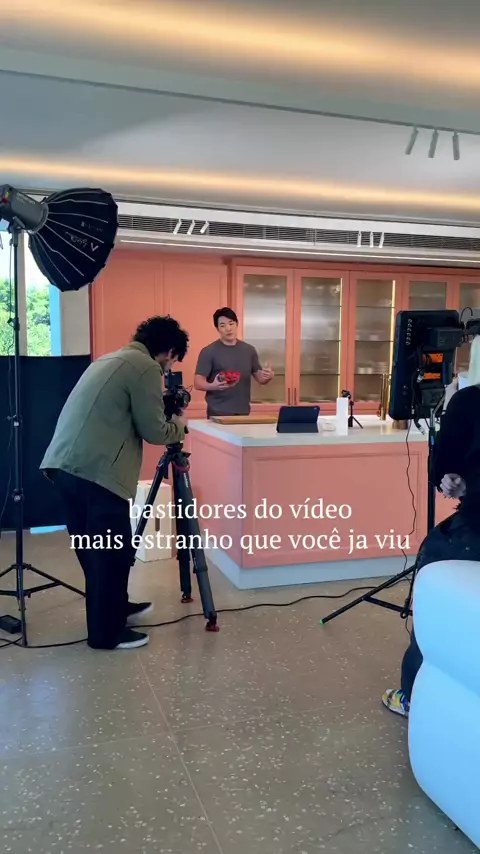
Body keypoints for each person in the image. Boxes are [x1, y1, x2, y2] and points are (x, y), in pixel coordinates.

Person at [40, 316, 188, 651]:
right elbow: (155, 431)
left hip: (65, 466)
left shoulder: (110, 359)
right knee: (111, 553)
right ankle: (106, 634)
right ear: (168, 351)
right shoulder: (145, 367)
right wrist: (180, 424)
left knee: (96, 553)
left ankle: (115, 609)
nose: (168, 369)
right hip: (96, 472)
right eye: (172, 361)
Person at [383, 336, 480, 716]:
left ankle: (412, 697)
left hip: (473, 531)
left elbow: (444, 469)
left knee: (433, 600)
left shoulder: (469, 401)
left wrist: (458, 481)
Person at [194, 307, 274, 418]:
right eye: (223, 325)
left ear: (237, 324)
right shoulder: (209, 351)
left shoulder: (249, 350)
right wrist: (213, 386)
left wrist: (267, 376)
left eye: (231, 323)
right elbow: (198, 383)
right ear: (217, 329)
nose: (228, 328)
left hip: (243, 413)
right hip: (217, 413)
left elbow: (261, 379)